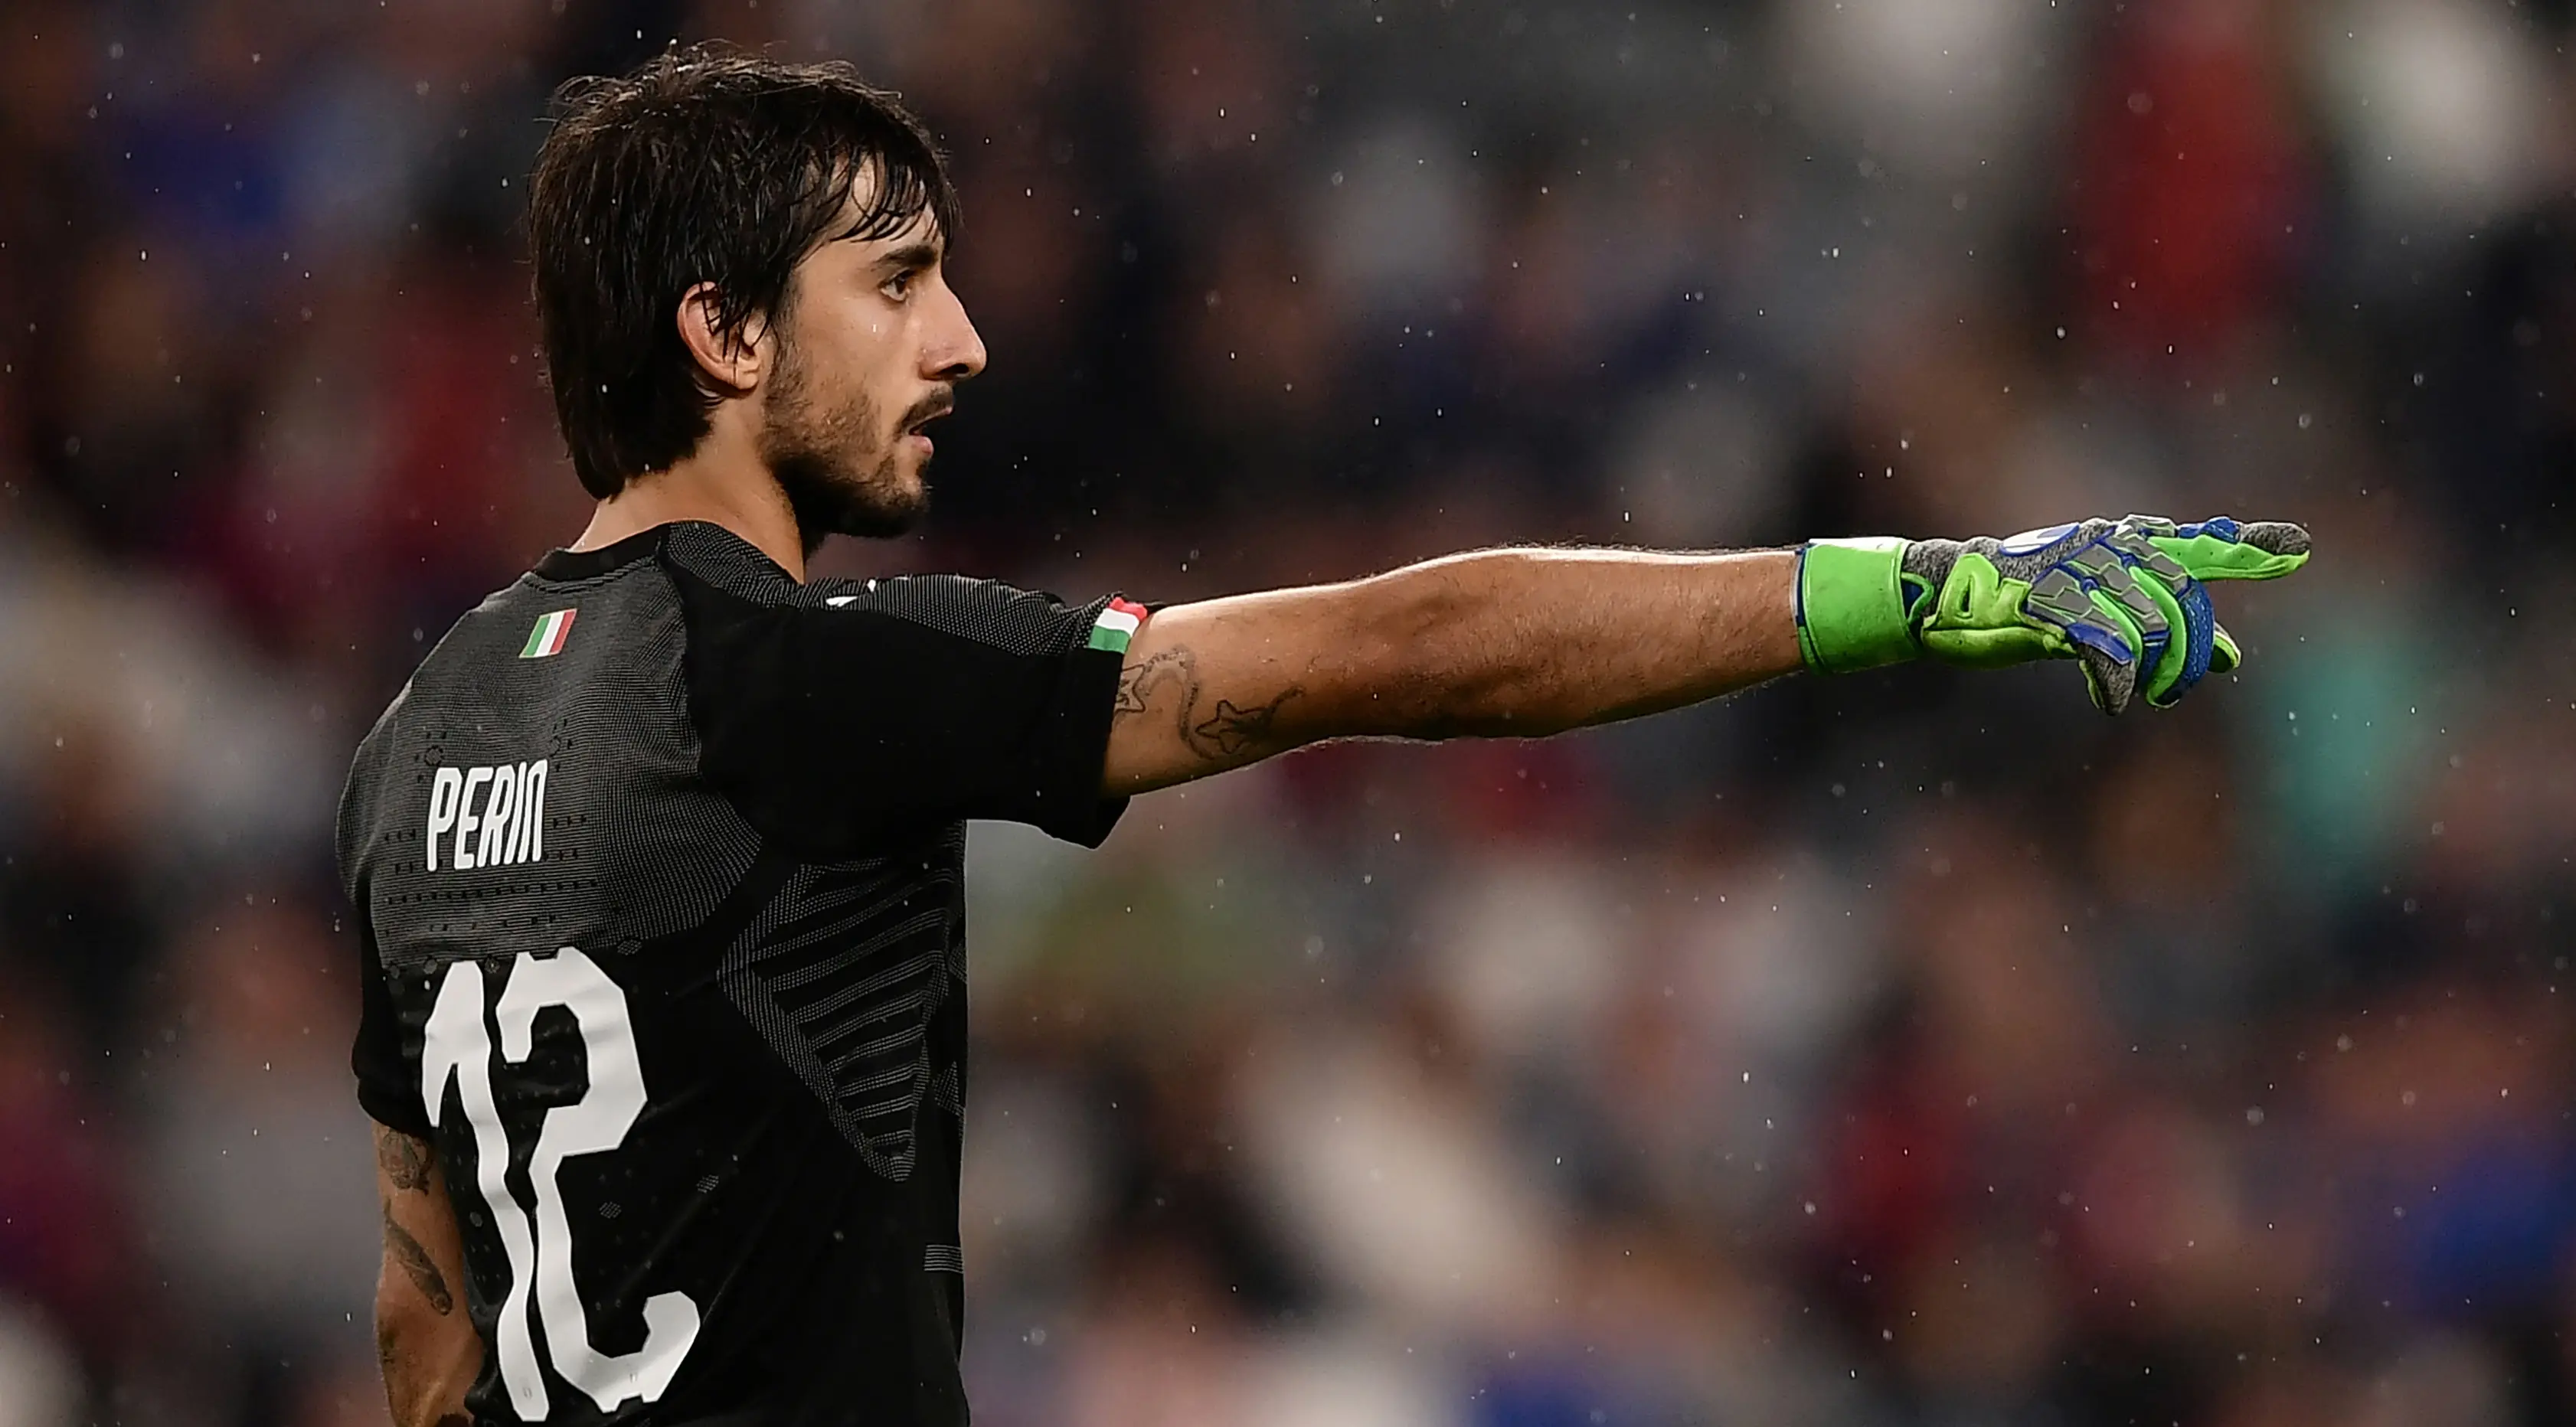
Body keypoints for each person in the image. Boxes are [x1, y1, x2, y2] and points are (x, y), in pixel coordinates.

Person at [337, 47, 2309, 1427]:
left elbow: (426, 1327)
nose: (962, 343)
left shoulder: (416, 746)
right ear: (725, 336)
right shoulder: (802, 675)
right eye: (899, 283)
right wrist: (1913, 587)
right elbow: (1409, 646)